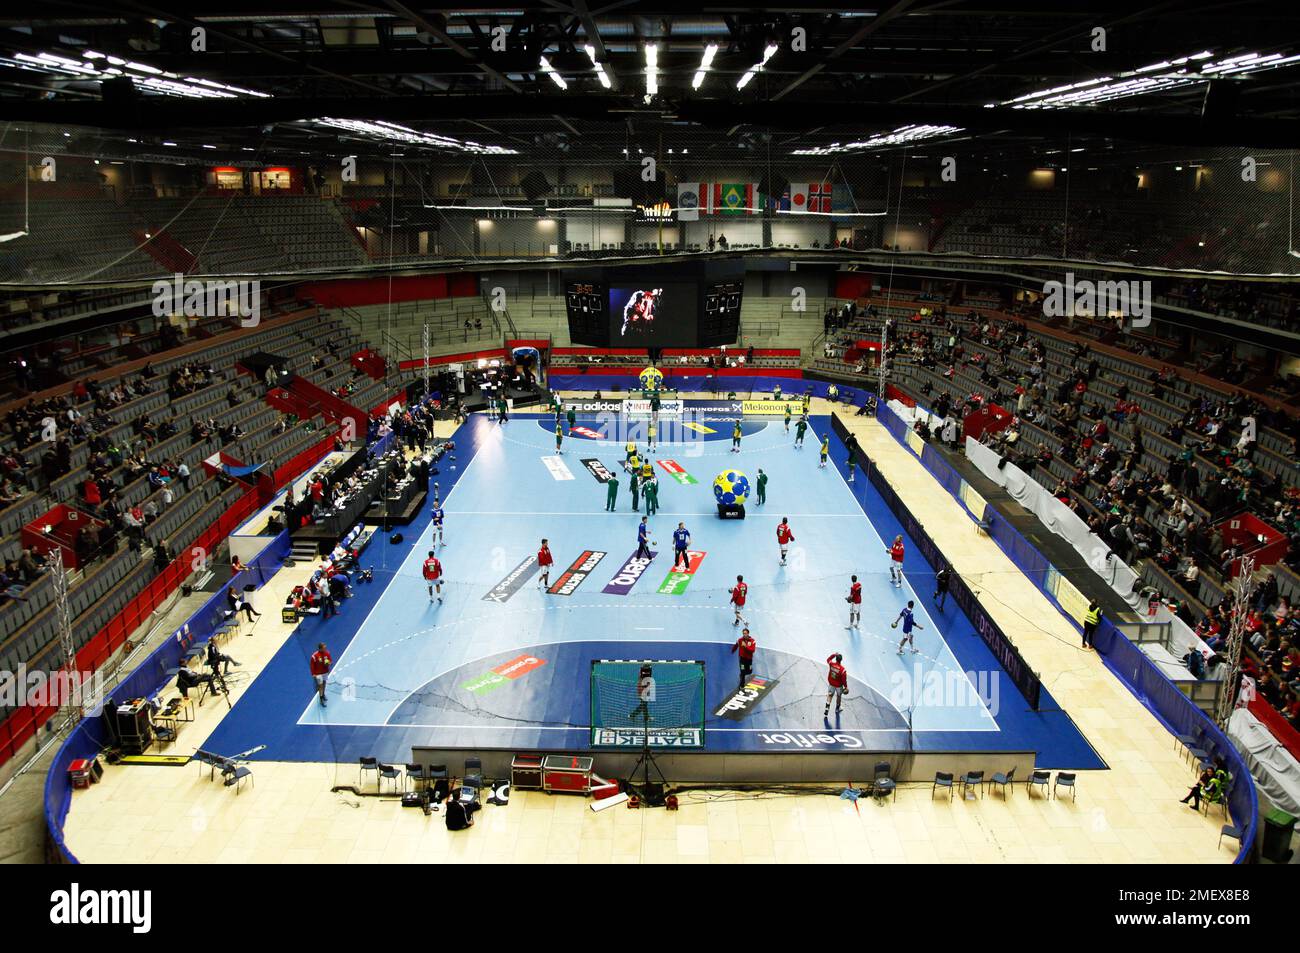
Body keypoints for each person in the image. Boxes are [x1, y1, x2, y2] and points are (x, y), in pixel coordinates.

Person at [824, 653, 848, 717]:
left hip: (831, 684)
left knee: (830, 695)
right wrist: (846, 687)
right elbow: (844, 680)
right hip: (838, 686)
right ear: (841, 660)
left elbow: (828, 659)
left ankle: (827, 709)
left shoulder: (831, 664)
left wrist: (834, 654)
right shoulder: (843, 670)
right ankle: (837, 709)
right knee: (839, 696)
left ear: (836, 659)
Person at [310, 642, 331, 707]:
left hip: (325, 672)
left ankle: (323, 694)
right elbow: (312, 665)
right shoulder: (314, 656)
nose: (325, 649)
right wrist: (313, 673)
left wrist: (328, 663)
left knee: (324, 684)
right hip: (318, 674)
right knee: (320, 685)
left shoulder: (327, 653)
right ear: (320, 649)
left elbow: (330, 660)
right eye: (324, 648)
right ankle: (321, 698)